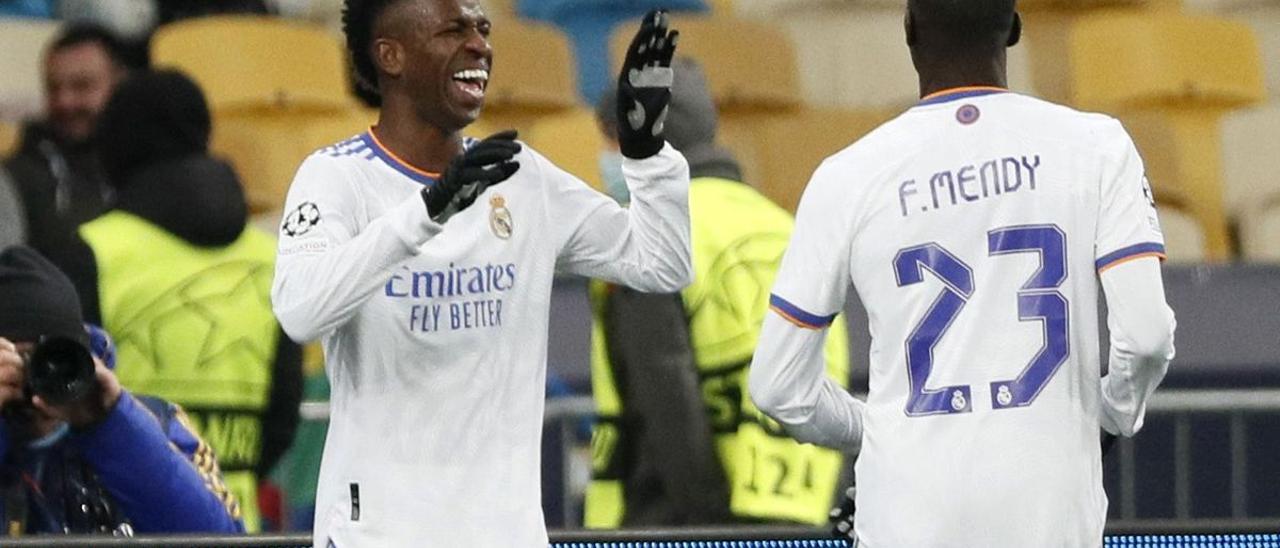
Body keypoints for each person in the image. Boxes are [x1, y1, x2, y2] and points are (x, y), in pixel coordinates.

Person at [747, 0, 1177, 546]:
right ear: (1015, 28)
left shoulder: (848, 175)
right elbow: (1146, 337)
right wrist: (1112, 413)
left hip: (906, 518)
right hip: (1049, 516)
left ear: (908, 32)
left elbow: (778, 386)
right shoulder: (1097, 147)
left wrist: (874, 428)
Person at [271, 0, 690, 544]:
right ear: (390, 55)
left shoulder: (520, 178)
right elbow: (300, 311)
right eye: (453, 30)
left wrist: (647, 153)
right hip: (380, 533)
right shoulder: (336, 178)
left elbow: (663, 264)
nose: (479, 46)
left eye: (482, 28)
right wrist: (428, 211)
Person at [584, 57, 851, 528]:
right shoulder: (788, 228)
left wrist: (712, 526)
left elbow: (665, 396)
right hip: (802, 510)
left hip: (684, 523)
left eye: (609, 141)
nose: (604, 159)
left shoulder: (649, 235)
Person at [47, 69, 303, 533]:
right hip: (235, 522)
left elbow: (67, 393)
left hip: (121, 521)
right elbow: (284, 412)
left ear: (116, 146)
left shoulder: (94, 251)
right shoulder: (270, 255)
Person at [0, 245, 244, 535]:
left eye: (48, 359)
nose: (34, 379)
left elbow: (220, 539)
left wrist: (114, 424)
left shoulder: (159, 423)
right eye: (12, 362)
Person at [3, 24, 127, 259]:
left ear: (119, 83)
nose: (64, 102)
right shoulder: (17, 178)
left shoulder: (147, 166)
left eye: (82, 86)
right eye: (53, 88)